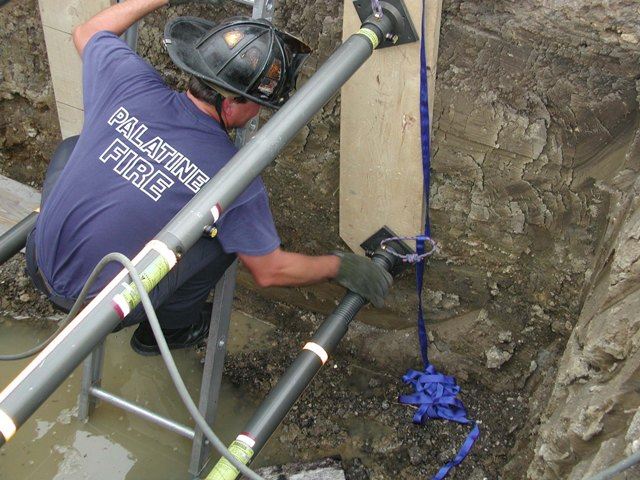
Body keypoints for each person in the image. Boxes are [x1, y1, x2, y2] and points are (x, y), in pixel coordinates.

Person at [25, 0, 392, 356]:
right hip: (100, 311)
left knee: (74, 146)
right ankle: (167, 331)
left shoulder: (129, 84)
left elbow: (88, 30)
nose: (258, 114)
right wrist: (340, 267)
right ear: (232, 104)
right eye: (258, 105)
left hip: (37, 257)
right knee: (219, 242)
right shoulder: (234, 180)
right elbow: (269, 270)